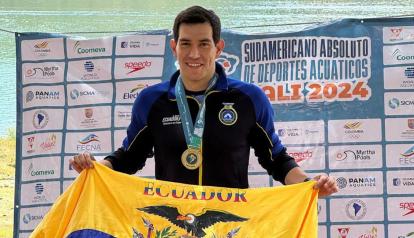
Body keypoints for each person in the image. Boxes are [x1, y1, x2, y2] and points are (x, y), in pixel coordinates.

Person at [70, 5, 338, 197]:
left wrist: (309, 184)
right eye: (185, 44)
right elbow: (129, 157)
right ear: (174, 47)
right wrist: (96, 167)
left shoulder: (248, 99)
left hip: (230, 224)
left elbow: (276, 159)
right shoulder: (152, 100)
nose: (194, 53)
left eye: (204, 44)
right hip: (171, 223)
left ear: (218, 48)